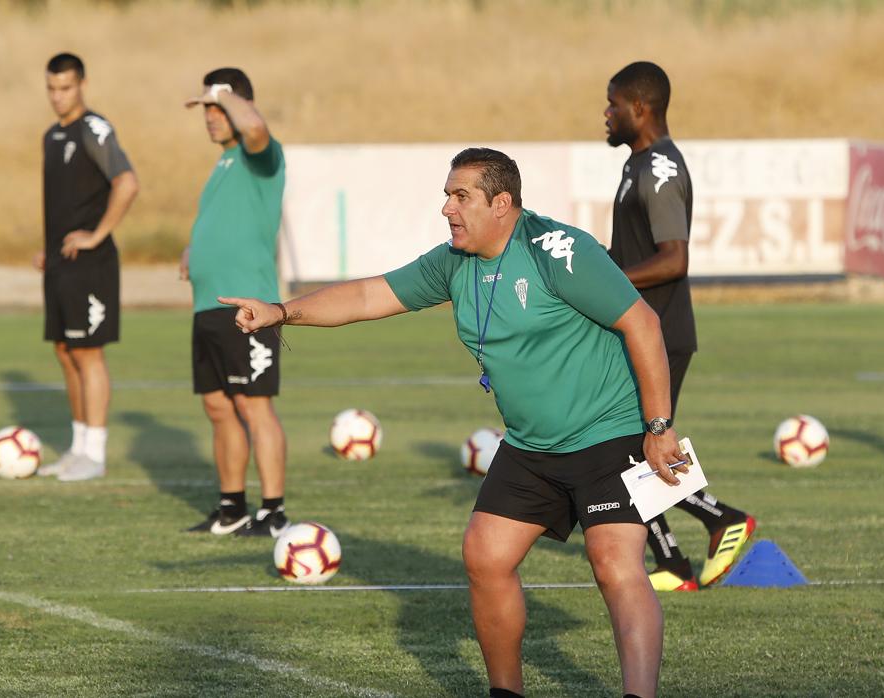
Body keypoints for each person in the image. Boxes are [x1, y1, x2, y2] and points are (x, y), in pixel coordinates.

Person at [221, 148, 685, 698]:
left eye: (460, 196)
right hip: (532, 446)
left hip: (608, 434)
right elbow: (370, 295)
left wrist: (658, 428)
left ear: (502, 203)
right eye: (447, 195)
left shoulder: (557, 250)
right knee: (485, 555)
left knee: (614, 565)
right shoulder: (454, 262)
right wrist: (281, 311)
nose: (447, 208)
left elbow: (644, 324)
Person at [604, 61, 756, 591]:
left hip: (660, 333)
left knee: (632, 450)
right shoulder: (639, 165)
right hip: (643, 331)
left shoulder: (661, 169)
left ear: (638, 109)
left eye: (613, 104)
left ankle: (721, 519)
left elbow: (673, 260)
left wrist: (607, 284)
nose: (606, 114)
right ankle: (671, 562)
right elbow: (634, 254)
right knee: (623, 450)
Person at [181, 68, 290, 538]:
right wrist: (194, 248)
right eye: (204, 109)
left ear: (238, 106)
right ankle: (231, 509)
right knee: (218, 407)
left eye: (216, 108)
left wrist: (230, 98)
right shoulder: (222, 164)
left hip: (249, 309)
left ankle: (272, 511)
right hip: (207, 306)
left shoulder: (261, 154)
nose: (209, 117)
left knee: (253, 406)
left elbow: (256, 129)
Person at [34, 52, 139, 482]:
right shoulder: (50, 136)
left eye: (66, 88)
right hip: (60, 263)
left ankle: (95, 453)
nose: (58, 97)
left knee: (88, 353)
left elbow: (127, 183)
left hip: (91, 264)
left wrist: (96, 234)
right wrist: (48, 250)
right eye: (52, 89)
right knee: (65, 351)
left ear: (82, 85)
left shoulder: (95, 129)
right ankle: (76, 449)